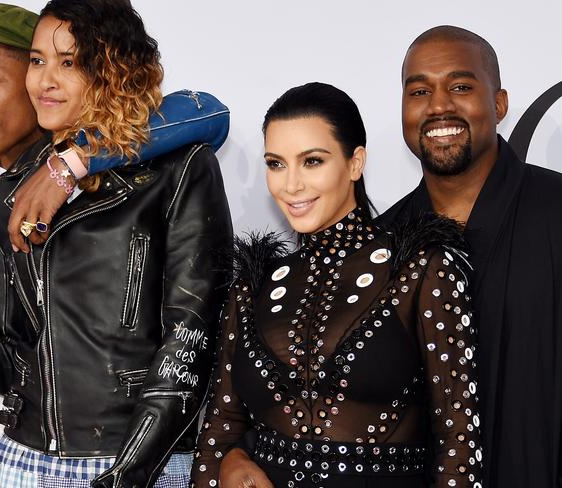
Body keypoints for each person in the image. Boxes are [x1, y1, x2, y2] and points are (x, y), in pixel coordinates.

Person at [0, 1, 231, 487]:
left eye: (70, 61)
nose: (45, 80)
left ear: (115, 70)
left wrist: (128, 474)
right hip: (20, 462)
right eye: (38, 61)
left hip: (134, 463)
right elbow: (12, 359)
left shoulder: (181, 168)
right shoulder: (9, 190)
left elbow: (190, 340)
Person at [191, 82, 482, 488]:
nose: (290, 185)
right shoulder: (252, 287)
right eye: (276, 164)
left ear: (354, 163)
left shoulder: (419, 271)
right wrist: (232, 460)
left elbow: (460, 443)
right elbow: (219, 432)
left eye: (312, 161)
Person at [380, 26, 562, 488]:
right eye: (419, 91)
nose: (439, 105)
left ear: (498, 104)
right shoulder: (381, 245)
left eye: (460, 87)